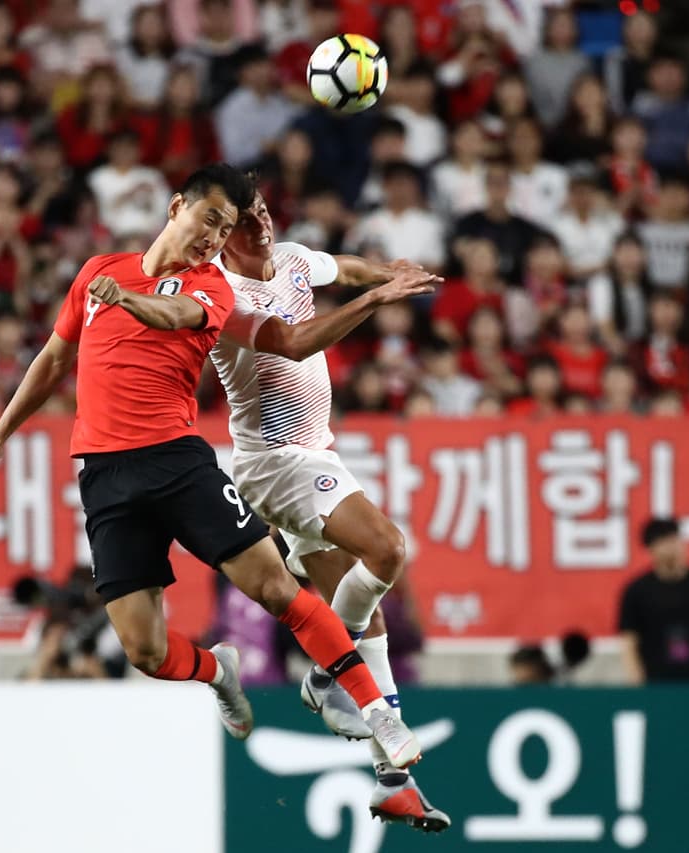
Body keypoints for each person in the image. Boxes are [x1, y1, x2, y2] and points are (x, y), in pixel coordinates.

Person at [0, 165, 422, 770]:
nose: (213, 237)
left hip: (177, 462)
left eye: (224, 229)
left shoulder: (213, 287)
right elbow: (52, 359)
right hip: (104, 476)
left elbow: (174, 315)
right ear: (177, 206)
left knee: (277, 588)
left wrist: (129, 300)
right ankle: (216, 670)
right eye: (210, 220)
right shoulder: (98, 272)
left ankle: (376, 711)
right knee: (144, 651)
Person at [210, 190, 450, 831]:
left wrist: (385, 271)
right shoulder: (220, 292)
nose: (261, 223)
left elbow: (341, 267)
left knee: (367, 621)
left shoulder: (291, 258)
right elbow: (291, 343)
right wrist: (375, 300)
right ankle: (323, 673)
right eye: (245, 218)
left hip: (314, 452)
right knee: (387, 549)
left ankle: (394, 782)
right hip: (275, 460)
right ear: (222, 231)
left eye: (262, 210)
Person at [618, 517, 689, 685]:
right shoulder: (637, 591)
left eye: (675, 539)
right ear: (651, 548)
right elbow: (629, 640)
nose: (672, 547)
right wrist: (637, 685)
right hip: (653, 682)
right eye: (664, 542)